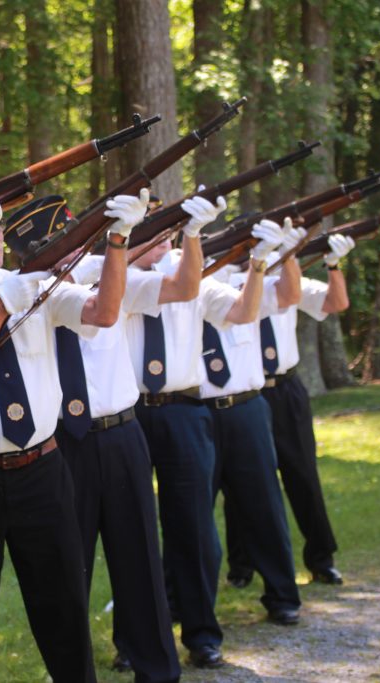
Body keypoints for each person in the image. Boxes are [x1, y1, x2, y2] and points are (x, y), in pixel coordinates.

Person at [0, 187, 148, 682]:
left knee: (64, 606)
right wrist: (3, 301)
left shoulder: (30, 283)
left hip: (43, 470)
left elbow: (103, 313)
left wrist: (117, 241)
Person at [52, 193, 225, 683]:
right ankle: (74, 666)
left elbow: (184, 287)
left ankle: (166, 657)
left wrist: (189, 235)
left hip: (129, 428)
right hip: (67, 437)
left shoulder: (117, 278)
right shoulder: (33, 289)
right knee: (71, 564)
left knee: (145, 554)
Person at [123, 215, 285, 668]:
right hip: (129, 415)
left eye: (165, 232)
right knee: (132, 532)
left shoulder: (193, 271)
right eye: (149, 232)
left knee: (194, 530)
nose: (160, 240)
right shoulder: (112, 271)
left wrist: (256, 266)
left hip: (183, 411)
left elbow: (242, 313)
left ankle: (201, 635)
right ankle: (135, 641)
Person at [224, 233, 355, 588]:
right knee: (242, 481)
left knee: (302, 474)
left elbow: (335, 302)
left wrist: (329, 263)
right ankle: (242, 564)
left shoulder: (287, 278)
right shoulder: (229, 281)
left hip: (285, 388)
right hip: (248, 391)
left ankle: (321, 557)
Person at [205, 218, 305, 627]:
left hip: (246, 405)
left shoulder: (253, 277)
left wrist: (283, 255)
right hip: (198, 410)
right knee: (191, 519)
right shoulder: (182, 279)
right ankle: (181, 604)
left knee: (265, 505)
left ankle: (282, 594)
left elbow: (289, 294)